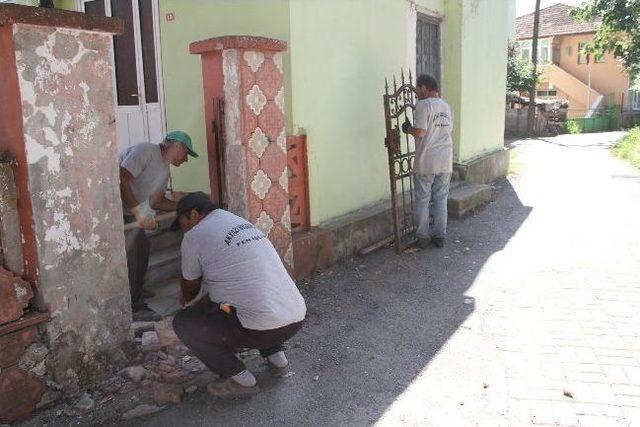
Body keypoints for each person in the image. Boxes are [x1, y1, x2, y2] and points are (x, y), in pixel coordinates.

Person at [170, 192, 306, 399]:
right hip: (295, 318)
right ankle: (277, 360)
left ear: (194, 214)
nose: (183, 230)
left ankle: (240, 379)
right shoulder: (238, 222)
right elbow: (234, 286)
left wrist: (186, 301)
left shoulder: (194, 235)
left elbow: (190, 289)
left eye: (182, 224)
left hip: (262, 329)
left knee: (183, 323)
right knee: (250, 303)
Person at [119, 131, 198, 310]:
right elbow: (121, 178)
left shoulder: (165, 169)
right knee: (133, 254)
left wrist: (183, 206)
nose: (186, 160)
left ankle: (137, 289)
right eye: (186, 154)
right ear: (176, 146)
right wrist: (138, 212)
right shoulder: (146, 151)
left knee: (143, 248)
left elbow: (158, 201)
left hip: (131, 211)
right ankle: (133, 303)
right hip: (117, 210)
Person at [402, 74, 453, 249]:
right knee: (440, 199)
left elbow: (421, 132)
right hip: (445, 161)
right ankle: (440, 236)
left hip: (427, 161)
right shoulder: (446, 106)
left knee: (423, 200)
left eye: (418, 89)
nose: (417, 93)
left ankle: (422, 237)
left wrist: (408, 129)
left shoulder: (423, 105)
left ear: (424, 87)